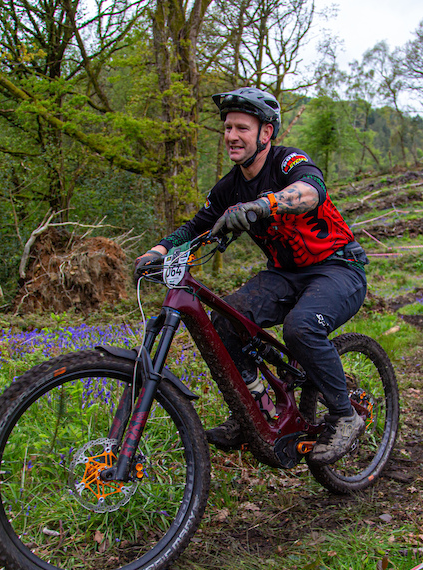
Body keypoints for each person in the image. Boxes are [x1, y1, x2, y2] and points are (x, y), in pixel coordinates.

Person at [134, 86, 369, 466]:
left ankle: (345, 415)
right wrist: (157, 252)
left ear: (265, 133)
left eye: (241, 127)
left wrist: (265, 204)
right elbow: (196, 226)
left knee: (301, 328)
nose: (231, 136)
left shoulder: (288, 162)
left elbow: (312, 190)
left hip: (337, 268)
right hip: (286, 275)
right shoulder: (229, 187)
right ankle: (255, 411)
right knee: (224, 323)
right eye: (227, 128)